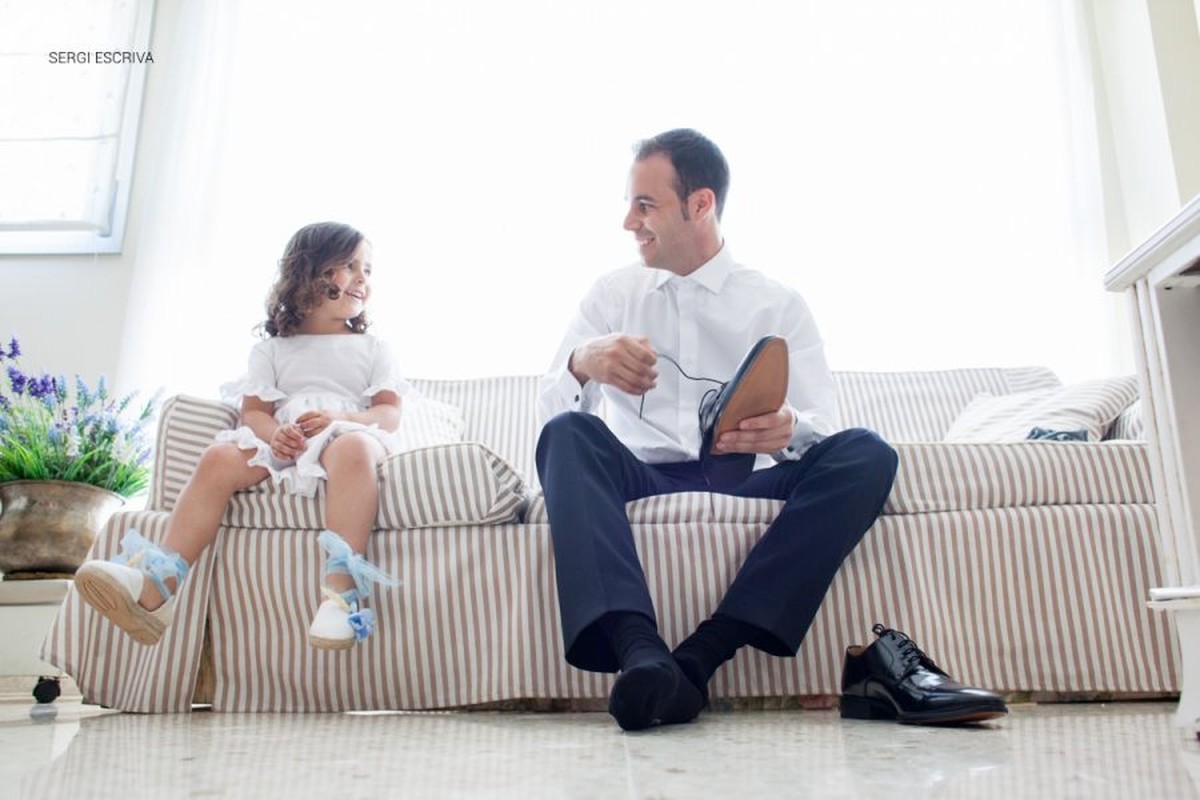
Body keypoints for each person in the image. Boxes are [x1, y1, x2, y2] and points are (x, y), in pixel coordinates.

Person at [535, 129, 899, 731]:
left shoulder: (778, 303)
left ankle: (700, 657)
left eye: (645, 205)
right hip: (642, 476)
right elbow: (548, 422)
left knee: (867, 453)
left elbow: (823, 428)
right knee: (569, 435)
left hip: (744, 477)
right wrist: (583, 362)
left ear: (700, 204)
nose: (628, 222)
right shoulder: (611, 295)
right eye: (629, 204)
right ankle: (639, 652)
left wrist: (787, 428)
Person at [75, 221, 403, 651]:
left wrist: (342, 418)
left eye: (368, 270)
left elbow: (388, 412)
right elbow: (254, 413)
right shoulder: (271, 350)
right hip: (286, 441)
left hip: (345, 434)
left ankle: (340, 597)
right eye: (349, 266)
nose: (363, 278)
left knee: (354, 448)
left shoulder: (374, 349)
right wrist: (276, 434)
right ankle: (156, 588)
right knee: (218, 457)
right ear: (310, 272)